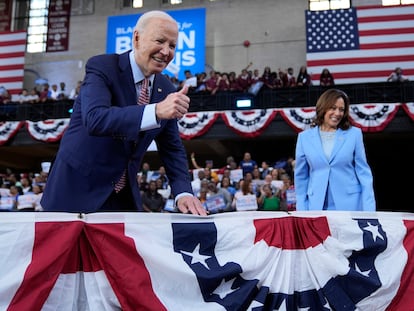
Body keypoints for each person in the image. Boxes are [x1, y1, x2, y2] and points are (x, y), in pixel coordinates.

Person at [40, 10, 207, 215]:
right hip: (75, 191)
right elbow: (95, 119)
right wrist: (154, 111)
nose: (166, 51)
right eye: (160, 41)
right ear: (136, 38)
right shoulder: (102, 67)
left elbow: (172, 148)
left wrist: (183, 193)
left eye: (172, 46)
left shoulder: (167, 89)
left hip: (122, 197)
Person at [294, 88, 376, 211]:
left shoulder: (354, 134)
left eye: (341, 109)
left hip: (350, 206)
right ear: (323, 108)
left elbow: (364, 174)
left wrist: (369, 210)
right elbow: (301, 178)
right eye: (333, 108)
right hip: (316, 207)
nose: (337, 113)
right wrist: (302, 210)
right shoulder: (304, 138)